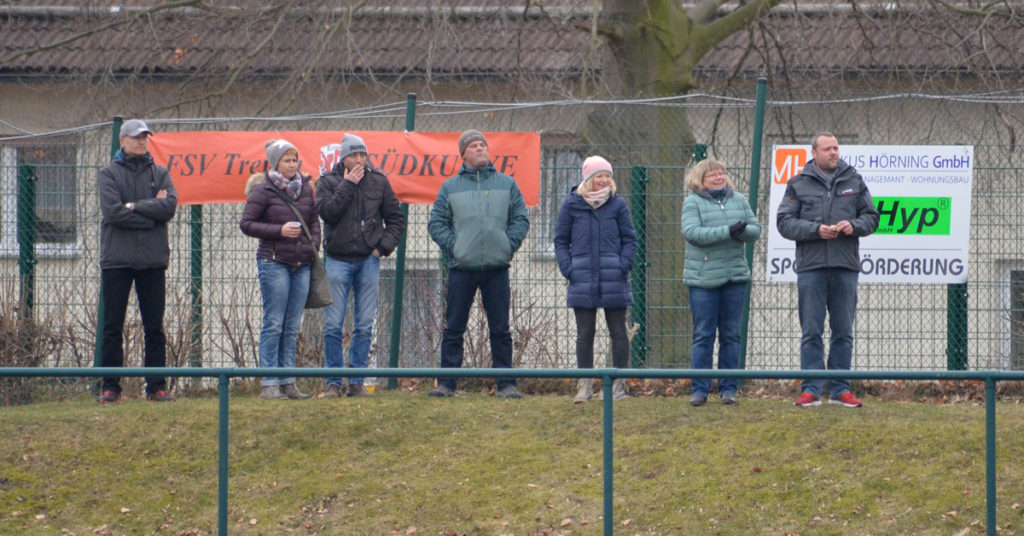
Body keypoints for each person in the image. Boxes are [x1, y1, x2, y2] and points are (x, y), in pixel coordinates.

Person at [777, 132, 879, 408]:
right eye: (828, 149)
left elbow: (871, 218)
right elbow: (784, 223)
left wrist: (853, 226)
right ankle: (811, 389)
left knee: (843, 330)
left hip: (845, 265)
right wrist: (815, 231)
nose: (834, 152)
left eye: (836, 148)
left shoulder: (854, 181)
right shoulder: (798, 184)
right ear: (814, 153)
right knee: (811, 331)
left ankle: (840, 390)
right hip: (811, 268)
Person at [427, 130, 530, 398]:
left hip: (497, 269)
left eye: (483, 144)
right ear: (463, 154)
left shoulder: (507, 184)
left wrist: (507, 246)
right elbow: (436, 223)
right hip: (461, 269)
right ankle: (447, 384)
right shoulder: (450, 187)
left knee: (500, 330)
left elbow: (521, 218)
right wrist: (456, 247)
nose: (480, 148)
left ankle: (506, 385)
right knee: (454, 328)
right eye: (474, 145)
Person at [315, 133, 405, 398]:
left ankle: (356, 382)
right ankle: (333, 382)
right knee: (333, 325)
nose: (359, 160)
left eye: (362, 155)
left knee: (364, 325)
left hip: (368, 260)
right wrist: (347, 185)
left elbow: (396, 220)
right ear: (343, 158)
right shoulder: (328, 182)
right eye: (354, 155)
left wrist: (382, 248)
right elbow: (327, 212)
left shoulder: (379, 181)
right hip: (337, 261)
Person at [96, 119, 178, 403]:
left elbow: (168, 208)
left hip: (153, 261)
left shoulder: (160, 172)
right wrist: (149, 214)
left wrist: (134, 206)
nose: (142, 142)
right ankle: (110, 388)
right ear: (123, 141)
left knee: (154, 326)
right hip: (117, 261)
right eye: (136, 137)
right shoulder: (108, 174)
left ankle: (156, 387)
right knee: (112, 326)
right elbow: (113, 213)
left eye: (145, 137)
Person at [240, 139, 320, 400]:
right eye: (287, 160)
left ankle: (288, 382)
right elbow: (247, 224)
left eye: (295, 160)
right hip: (274, 262)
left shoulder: (306, 190)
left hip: (302, 265)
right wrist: (279, 231)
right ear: (276, 163)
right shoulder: (263, 192)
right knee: (274, 323)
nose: (292, 165)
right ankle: (270, 383)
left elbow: (314, 222)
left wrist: (313, 246)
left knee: (292, 325)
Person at [554, 155, 637, 403]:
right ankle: (585, 386)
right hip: (581, 278)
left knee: (618, 331)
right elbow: (560, 241)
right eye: (599, 175)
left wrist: (623, 266)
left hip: (614, 278)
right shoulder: (571, 205)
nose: (603, 180)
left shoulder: (618, 205)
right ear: (588, 178)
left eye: (607, 176)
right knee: (584, 333)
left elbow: (630, 239)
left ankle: (617, 386)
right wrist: (568, 268)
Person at [681, 158, 761, 406]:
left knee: (731, 335)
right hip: (703, 281)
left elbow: (755, 229)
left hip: (734, 278)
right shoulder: (692, 202)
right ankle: (700, 390)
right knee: (703, 335)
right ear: (700, 179)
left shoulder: (739, 200)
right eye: (712, 175)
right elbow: (692, 233)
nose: (718, 178)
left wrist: (742, 231)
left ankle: (729, 388)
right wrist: (728, 231)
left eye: (721, 174)